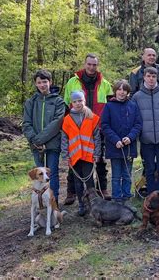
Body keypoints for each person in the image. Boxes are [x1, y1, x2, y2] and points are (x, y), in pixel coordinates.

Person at [63, 53, 113, 204]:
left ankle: (102, 188)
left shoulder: (105, 83)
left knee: (99, 159)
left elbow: (110, 106)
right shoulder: (72, 82)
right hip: (76, 127)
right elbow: (66, 105)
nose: (91, 67)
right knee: (75, 159)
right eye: (89, 64)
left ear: (97, 65)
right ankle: (71, 192)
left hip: (97, 127)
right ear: (85, 64)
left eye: (94, 65)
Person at [23, 69, 66, 205]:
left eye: (45, 82)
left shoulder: (58, 101)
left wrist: (40, 140)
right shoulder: (31, 102)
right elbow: (26, 123)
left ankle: (54, 205)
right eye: (39, 82)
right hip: (36, 147)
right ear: (36, 84)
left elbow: (57, 122)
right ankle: (41, 205)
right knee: (39, 176)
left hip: (52, 145)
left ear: (50, 82)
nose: (42, 85)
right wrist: (35, 141)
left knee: (51, 175)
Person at [101, 80, 142, 204]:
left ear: (128, 92)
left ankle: (127, 197)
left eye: (124, 90)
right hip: (115, 147)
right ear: (115, 91)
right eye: (119, 89)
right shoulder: (109, 106)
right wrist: (115, 140)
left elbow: (138, 124)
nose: (121, 92)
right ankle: (116, 199)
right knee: (116, 175)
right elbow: (105, 125)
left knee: (127, 174)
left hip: (129, 147)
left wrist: (130, 137)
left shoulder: (133, 106)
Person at [61, 91, 101, 216]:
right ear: (71, 103)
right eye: (75, 101)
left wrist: (97, 153)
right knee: (77, 182)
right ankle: (81, 205)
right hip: (75, 156)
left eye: (80, 101)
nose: (78, 103)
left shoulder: (91, 117)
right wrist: (65, 155)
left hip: (88, 155)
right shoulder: (67, 119)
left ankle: (93, 204)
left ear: (84, 101)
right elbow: (64, 138)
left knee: (89, 181)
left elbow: (97, 137)